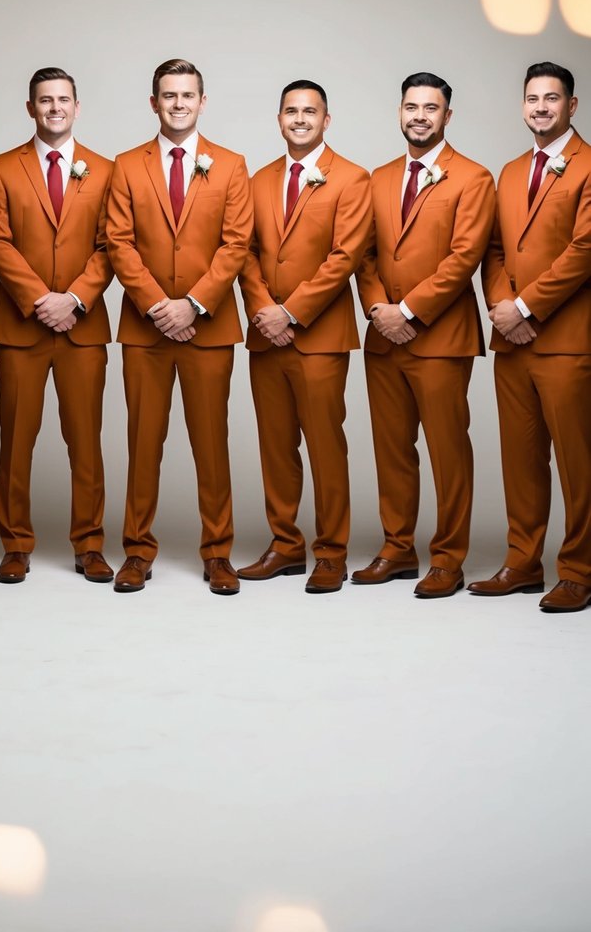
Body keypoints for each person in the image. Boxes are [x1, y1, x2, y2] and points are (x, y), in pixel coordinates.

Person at [105, 58, 252, 594]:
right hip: (145, 330)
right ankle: (137, 552)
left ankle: (218, 554)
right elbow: (117, 241)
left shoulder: (231, 165)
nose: (178, 103)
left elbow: (236, 243)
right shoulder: (125, 165)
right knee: (143, 443)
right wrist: (156, 305)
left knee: (212, 444)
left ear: (203, 102)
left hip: (208, 328)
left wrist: (192, 304)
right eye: (168, 95)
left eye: (187, 95)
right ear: (153, 103)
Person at [354, 71, 495, 597]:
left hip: (439, 337)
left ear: (447, 116)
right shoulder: (379, 177)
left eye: (430, 108)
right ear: (399, 113)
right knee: (392, 449)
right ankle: (397, 549)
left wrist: (409, 312)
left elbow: (464, 259)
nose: (419, 116)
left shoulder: (473, 177)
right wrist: (376, 309)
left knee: (447, 450)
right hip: (382, 336)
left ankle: (449, 558)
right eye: (411, 107)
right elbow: (362, 254)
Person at [238, 79, 372, 593]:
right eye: (290, 111)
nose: (299, 119)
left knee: (324, 445)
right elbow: (243, 251)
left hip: (318, 337)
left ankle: (331, 553)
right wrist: (262, 309)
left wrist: (290, 314)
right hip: (264, 335)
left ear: (326, 120)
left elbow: (345, 258)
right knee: (275, 446)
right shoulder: (257, 179)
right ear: (278, 120)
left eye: (309, 111)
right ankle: (285, 545)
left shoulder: (351, 179)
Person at [0, 67, 114, 584]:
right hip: (21, 325)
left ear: (77, 107)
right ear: (30, 108)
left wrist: (75, 299)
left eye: (63, 100)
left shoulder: (105, 169)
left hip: (83, 328)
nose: (54, 108)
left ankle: (90, 544)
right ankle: (15, 543)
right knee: (16, 439)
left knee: (86, 440)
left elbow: (111, 245)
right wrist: (40, 300)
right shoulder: (1, 167)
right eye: (44, 100)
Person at [471, 61, 591, 612]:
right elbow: (493, 249)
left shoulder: (589, 164)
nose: (540, 107)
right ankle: (523, 562)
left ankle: (579, 570)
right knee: (520, 458)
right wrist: (500, 307)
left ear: (572, 106)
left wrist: (524, 306)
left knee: (577, 461)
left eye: (552, 98)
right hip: (511, 341)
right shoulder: (512, 170)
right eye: (532, 98)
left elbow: (584, 250)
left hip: (567, 339)